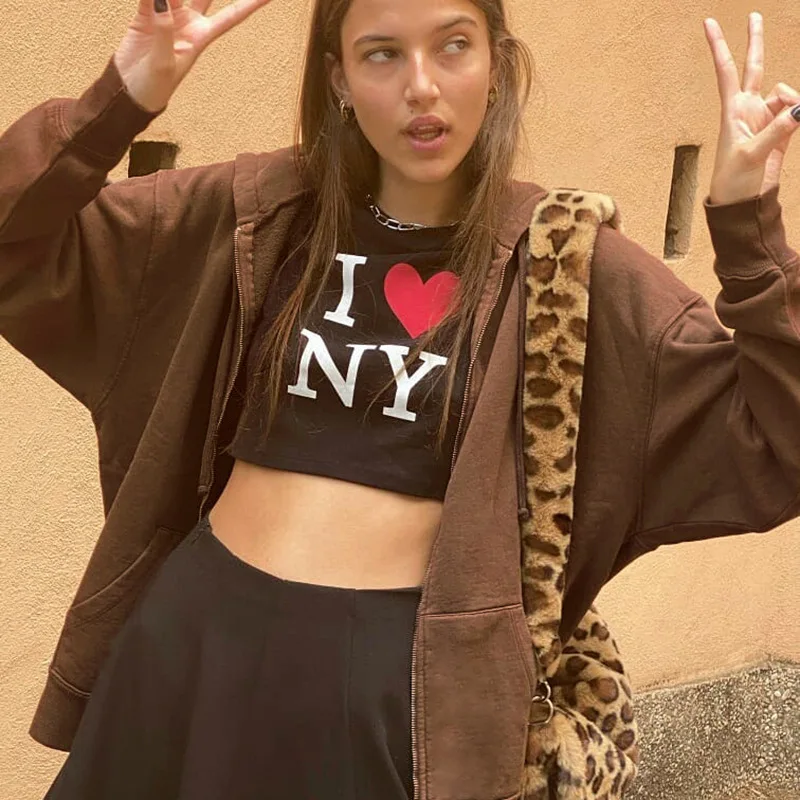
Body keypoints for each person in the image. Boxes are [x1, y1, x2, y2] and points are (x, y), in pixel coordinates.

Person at [1, 0, 798, 798]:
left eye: (453, 45)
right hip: (192, 646)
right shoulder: (264, 210)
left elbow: (780, 437)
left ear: (496, 64)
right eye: (382, 54)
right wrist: (125, 94)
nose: (422, 85)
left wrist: (748, 228)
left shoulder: (563, 260)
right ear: (340, 79)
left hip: (387, 692)